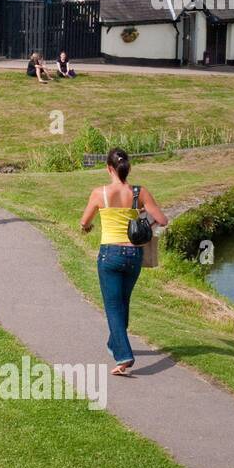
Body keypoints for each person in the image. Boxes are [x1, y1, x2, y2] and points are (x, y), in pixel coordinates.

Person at [78, 148, 167, 376]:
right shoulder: (139, 192)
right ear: (127, 167)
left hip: (110, 254)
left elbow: (84, 222)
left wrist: (88, 228)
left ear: (109, 168)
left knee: (113, 306)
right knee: (123, 302)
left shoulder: (100, 194)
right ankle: (113, 343)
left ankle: (124, 355)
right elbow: (162, 219)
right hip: (134, 255)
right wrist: (144, 226)